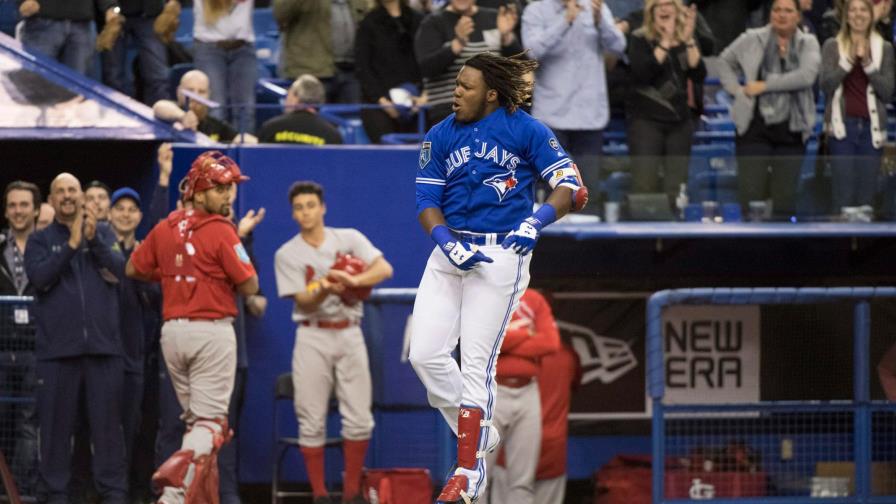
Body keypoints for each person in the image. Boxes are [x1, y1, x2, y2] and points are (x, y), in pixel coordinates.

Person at [408, 52, 588, 504]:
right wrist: (445, 240)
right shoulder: (440, 134)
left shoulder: (526, 128)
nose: (456, 93)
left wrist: (536, 220)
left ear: (491, 93)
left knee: (476, 365)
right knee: (424, 355)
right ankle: (480, 434)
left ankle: (468, 470)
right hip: (451, 251)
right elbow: (425, 199)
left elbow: (570, 185)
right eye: (457, 85)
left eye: (466, 87)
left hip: (501, 253)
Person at [126, 151, 259, 504]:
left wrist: (171, 276)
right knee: (214, 426)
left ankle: (186, 496)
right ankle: (174, 487)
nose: (228, 195)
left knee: (195, 425)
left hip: (173, 334)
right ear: (198, 193)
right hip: (211, 332)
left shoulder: (165, 226)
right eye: (220, 188)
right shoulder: (220, 229)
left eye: (230, 188)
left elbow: (133, 269)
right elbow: (250, 285)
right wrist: (217, 278)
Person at [274, 181, 393, 504]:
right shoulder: (287, 253)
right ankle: (320, 495)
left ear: (322, 207)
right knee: (310, 417)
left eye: (311, 205)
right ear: (293, 213)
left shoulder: (349, 238)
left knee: (359, 418)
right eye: (299, 207)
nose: (305, 212)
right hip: (312, 333)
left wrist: (353, 279)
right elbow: (302, 299)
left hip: (350, 329)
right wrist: (327, 284)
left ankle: (351, 494)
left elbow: (384, 268)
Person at [25, 173, 128, 504]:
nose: (67, 196)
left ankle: (113, 494)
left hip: (103, 351)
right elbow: (39, 278)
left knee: (109, 433)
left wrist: (93, 240)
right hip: (57, 354)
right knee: (54, 434)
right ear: (51, 201)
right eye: (60, 192)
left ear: (82, 196)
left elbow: (121, 271)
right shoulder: (40, 240)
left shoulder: (104, 233)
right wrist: (71, 245)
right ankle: (55, 496)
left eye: (72, 190)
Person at [717, 0, 820, 219]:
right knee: (751, 198)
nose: (781, 15)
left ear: (798, 16)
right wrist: (737, 90)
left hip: (792, 128)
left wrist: (764, 85)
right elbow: (724, 61)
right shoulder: (752, 38)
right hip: (754, 128)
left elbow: (806, 77)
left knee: (784, 201)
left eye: (788, 10)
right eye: (777, 10)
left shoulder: (808, 42)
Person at [521, 0, 626, 163]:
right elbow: (532, 52)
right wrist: (565, 21)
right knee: (554, 186)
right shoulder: (535, 11)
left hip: (590, 116)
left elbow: (618, 47)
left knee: (589, 186)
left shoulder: (596, 7)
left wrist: (601, 22)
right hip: (551, 116)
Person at [480, 289, 559, 504]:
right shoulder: (487, 294)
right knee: (478, 478)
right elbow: (486, 343)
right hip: (492, 392)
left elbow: (551, 343)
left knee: (522, 482)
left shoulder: (534, 299)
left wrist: (506, 337)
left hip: (528, 393)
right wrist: (527, 333)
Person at [626, 0, 706, 205]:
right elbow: (642, 74)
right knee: (645, 183)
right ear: (651, 10)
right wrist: (665, 41)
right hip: (646, 120)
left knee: (676, 184)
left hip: (679, 121)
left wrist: (688, 41)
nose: (664, 8)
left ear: (676, 8)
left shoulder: (685, 37)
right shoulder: (639, 38)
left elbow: (698, 73)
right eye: (658, 4)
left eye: (668, 3)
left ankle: (676, 231)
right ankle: (644, 233)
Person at [820, 0, 894, 217]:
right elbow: (826, 86)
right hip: (842, 128)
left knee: (866, 198)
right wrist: (849, 61)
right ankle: (841, 246)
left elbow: (887, 92)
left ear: (871, 15)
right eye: (853, 10)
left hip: (871, 131)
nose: (858, 14)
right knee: (843, 195)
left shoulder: (885, 48)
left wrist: (868, 64)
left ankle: (863, 247)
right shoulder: (832, 46)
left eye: (863, 10)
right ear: (846, 16)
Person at [414, 0, 522, 125]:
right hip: (449, 111)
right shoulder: (433, 23)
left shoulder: (495, 18)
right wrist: (457, 44)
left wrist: (506, 38)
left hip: (493, 111)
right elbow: (426, 68)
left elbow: (519, 64)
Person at [0, 181, 40, 493]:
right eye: (12, 205)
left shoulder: (46, 246)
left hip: (37, 348)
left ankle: (21, 492)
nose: (18, 211)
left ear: (36, 209)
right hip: (2, 347)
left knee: (29, 423)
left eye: (24, 205)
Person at [354, 0, 426, 143]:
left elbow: (429, 61)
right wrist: (383, 102)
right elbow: (363, 68)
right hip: (379, 103)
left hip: (417, 101)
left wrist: (424, 95)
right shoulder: (368, 23)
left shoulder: (419, 20)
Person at [273, 0, 370, 103]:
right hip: (312, 73)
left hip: (353, 72)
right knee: (312, 118)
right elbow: (281, 13)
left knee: (352, 117)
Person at [190, 0, 258, 132]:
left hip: (243, 47)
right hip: (209, 46)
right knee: (215, 109)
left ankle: (244, 151)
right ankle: (214, 150)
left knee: (245, 110)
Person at [18, 0, 122, 75]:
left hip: (82, 25)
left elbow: (112, 8)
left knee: (77, 88)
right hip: (42, 22)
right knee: (36, 81)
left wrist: (110, 7)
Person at [153, 70, 257, 144]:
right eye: (190, 90)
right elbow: (159, 106)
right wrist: (182, 116)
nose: (195, 96)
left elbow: (240, 138)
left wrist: (245, 141)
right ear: (178, 91)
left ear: (208, 95)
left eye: (201, 91)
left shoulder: (215, 125)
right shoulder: (171, 113)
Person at [100, 0, 171, 105]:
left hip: (150, 13)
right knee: (113, 76)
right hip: (114, 15)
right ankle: (116, 115)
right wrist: (109, 6)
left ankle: (159, 116)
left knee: (157, 75)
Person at [257, 75, 344, 145]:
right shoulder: (332, 135)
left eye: (288, 95)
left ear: (295, 98)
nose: (286, 100)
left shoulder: (271, 128)